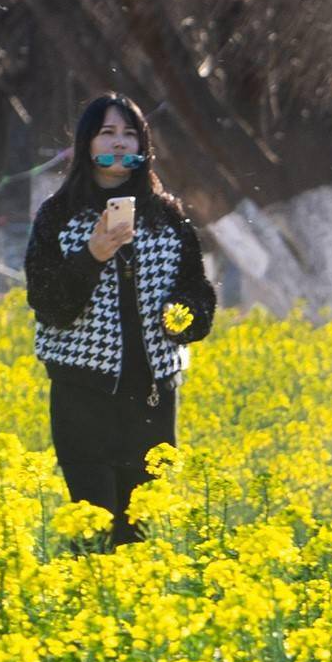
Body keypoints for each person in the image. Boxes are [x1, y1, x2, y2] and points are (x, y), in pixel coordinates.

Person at [23, 94, 218, 546]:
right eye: (107, 133)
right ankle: (89, 610)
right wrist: (92, 255)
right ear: (87, 144)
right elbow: (49, 305)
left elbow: (197, 292)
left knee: (141, 532)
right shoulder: (59, 215)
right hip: (83, 396)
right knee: (93, 530)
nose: (118, 142)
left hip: (152, 396)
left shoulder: (167, 216)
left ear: (143, 145)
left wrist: (181, 319)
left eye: (129, 133)